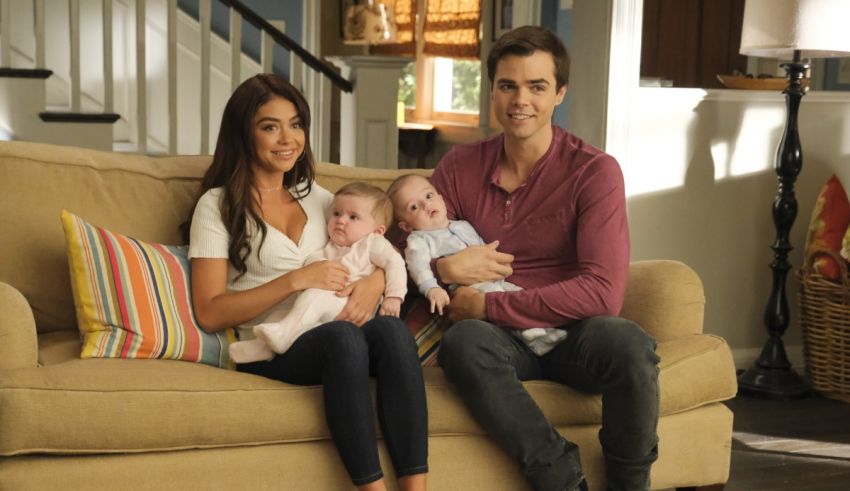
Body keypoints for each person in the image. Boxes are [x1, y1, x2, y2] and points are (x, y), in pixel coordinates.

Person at [429, 26, 660, 491]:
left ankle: (630, 485)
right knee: (464, 343)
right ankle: (560, 479)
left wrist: (491, 305)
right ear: (491, 90)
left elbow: (603, 293)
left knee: (629, 343)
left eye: (537, 87)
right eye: (508, 85)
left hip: (575, 335)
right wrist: (444, 270)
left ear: (560, 93)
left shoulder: (595, 171)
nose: (521, 100)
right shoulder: (458, 167)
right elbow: (412, 245)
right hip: (500, 343)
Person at [186, 73, 428, 491]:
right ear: (244, 133)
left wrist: (373, 282)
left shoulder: (319, 199)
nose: (287, 138)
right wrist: (296, 280)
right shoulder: (219, 205)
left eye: (295, 124)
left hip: (337, 330)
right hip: (273, 345)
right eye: (269, 126)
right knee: (344, 339)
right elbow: (209, 312)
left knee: (390, 330)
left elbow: (368, 245)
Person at [388, 173, 566, 356]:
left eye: (429, 196)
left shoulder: (463, 225)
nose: (426, 205)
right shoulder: (418, 240)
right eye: (414, 207)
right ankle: (534, 337)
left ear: (441, 199)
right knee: (499, 299)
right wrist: (431, 288)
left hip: (492, 278)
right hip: (466, 288)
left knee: (519, 293)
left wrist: (495, 261)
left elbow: (482, 247)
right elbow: (417, 267)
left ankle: (546, 329)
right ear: (406, 227)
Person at [229, 182, 407, 363]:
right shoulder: (331, 246)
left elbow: (395, 263)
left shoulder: (372, 243)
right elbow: (313, 261)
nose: (341, 220)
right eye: (337, 213)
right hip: (328, 313)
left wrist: (394, 297)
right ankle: (262, 347)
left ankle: (282, 338)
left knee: (313, 297)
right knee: (279, 317)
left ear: (377, 231)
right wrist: (320, 267)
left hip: (350, 306)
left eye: (353, 217)